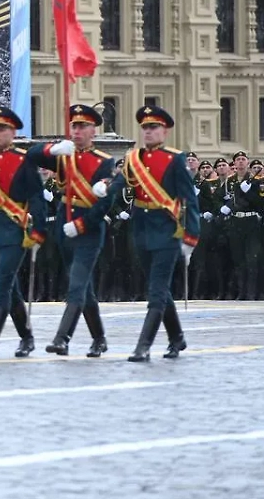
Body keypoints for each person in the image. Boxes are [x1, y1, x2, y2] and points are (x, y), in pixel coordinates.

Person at [94, 106, 200, 361]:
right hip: (141, 230)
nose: (149, 132)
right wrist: (105, 186)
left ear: (165, 131)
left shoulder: (175, 159)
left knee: (156, 292)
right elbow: (122, 182)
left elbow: (190, 201)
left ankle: (143, 346)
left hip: (166, 231)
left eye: (154, 128)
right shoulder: (134, 158)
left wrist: (190, 238)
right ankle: (177, 338)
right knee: (159, 289)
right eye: (145, 128)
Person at [25, 104, 116, 357]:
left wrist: (81, 224)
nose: (77, 131)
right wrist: (50, 149)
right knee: (84, 289)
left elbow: (106, 203)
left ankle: (62, 338)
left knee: (76, 286)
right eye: (74, 126)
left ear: (93, 132)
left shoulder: (103, 161)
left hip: (88, 229)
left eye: (82, 126)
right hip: (63, 226)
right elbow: (30, 156)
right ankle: (99, 339)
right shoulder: (63, 155)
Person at [0, 107, 48, 359]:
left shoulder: (25, 160)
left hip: (14, 230)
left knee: (1, 283)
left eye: (1, 129)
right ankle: (27, 337)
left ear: (13, 132)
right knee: (9, 286)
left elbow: (37, 199)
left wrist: (38, 231)